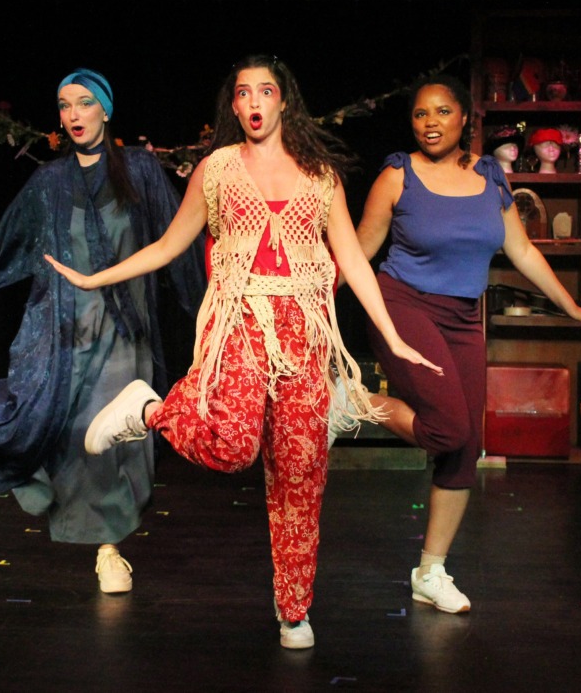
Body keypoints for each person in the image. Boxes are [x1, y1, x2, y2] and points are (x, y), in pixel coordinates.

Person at [44, 54, 442, 649]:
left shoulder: (320, 173)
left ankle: (295, 610)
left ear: (284, 101)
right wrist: (93, 279)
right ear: (233, 106)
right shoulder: (218, 169)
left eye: (265, 91)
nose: (254, 103)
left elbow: (352, 260)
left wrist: (394, 335)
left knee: (302, 474)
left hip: (305, 330)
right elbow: (167, 246)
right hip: (239, 323)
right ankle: (147, 412)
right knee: (232, 445)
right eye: (242, 94)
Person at [0, 68, 205, 595]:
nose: (74, 115)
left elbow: (179, 241)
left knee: (115, 443)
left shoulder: (141, 171)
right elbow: (6, 238)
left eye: (84, 104)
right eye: (65, 106)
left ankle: (109, 552)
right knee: (35, 417)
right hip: (62, 327)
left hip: (124, 332)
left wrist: (209, 309)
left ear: (105, 110)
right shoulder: (49, 182)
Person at [354, 74, 581, 616]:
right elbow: (358, 248)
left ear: (464, 119)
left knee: (465, 444)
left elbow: (520, 250)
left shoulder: (490, 177)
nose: (430, 123)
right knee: (449, 426)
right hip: (402, 306)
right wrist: (310, 302)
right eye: (420, 114)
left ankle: (430, 570)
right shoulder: (397, 175)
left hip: (462, 317)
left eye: (442, 112)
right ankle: (356, 403)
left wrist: (571, 306)